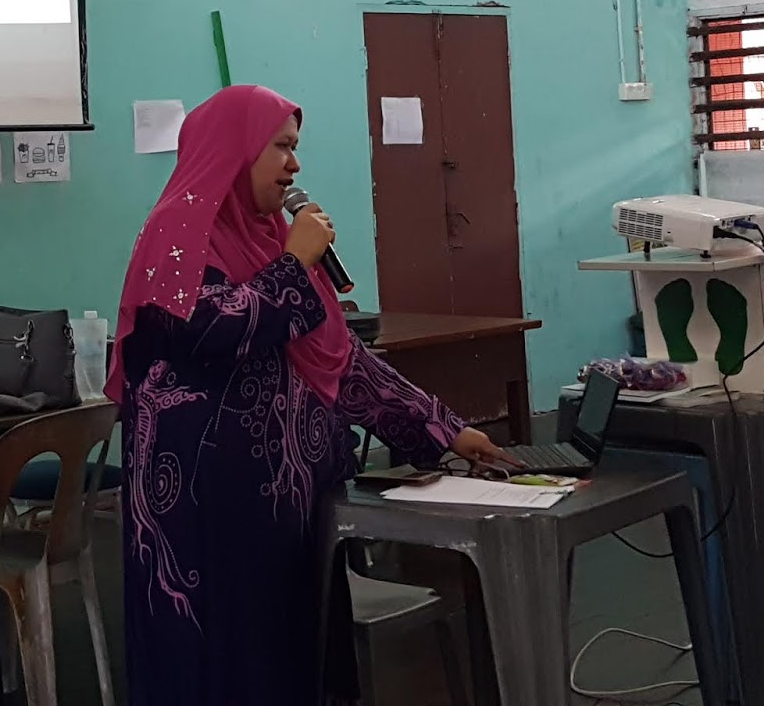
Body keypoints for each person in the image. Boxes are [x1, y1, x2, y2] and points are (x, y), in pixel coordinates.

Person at [109, 85, 511, 706]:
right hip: (204, 516)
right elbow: (208, 328)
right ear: (234, 150)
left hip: (288, 514)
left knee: (293, 655)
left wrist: (442, 427)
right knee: (218, 661)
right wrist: (295, 265)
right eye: (281, 147)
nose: (294, 165)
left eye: (295, 148)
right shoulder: (179, 231)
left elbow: (340, 362)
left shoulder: (272, 237)